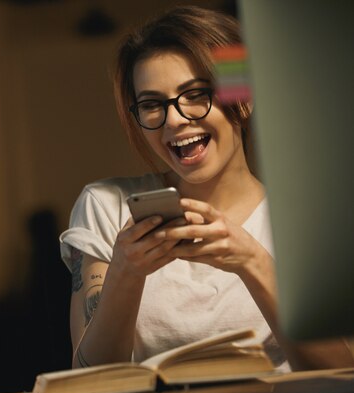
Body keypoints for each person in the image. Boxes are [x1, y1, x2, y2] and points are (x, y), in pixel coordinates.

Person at [59, 5, 354, 371]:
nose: (175, 120)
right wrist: (125, 273)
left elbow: (344, 378)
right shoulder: (106, 206)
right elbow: (87, 377)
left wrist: (252, 262)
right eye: (152, 104)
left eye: (196, 94)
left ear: (243, 100)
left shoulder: (311, 218)